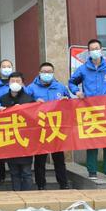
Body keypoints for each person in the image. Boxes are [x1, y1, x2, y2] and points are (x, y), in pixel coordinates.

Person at [68, 39, 106, 180]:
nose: (95, 51)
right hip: (89, 109)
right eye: (92, 49)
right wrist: (77, 92)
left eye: (96, 48)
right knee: (91, 140)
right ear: (89, 52)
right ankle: (92, 170)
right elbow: (72, 82)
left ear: (101, 50)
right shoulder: (83, 69)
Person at [25, 62, 70, 190]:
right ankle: (41, 184)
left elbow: (70, 103)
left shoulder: (60, 87)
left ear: (53, 73)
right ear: (39, 73)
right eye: (44, 72)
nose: (47, 74)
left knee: (59, 159)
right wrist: (34, 102)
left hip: (56, 127)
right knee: (40, 159)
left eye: (49, 72)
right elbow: (25, 104)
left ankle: (63, 183)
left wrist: (66, 101)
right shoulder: (31, 88)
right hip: (40, 128)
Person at [0, 72, 34, 191]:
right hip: (10, 139)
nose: (15, 83)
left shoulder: (29, 99)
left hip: (25, 141)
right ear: (8, 83)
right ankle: (17, 194)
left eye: (18, 81)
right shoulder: (3, 99)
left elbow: (33, 119)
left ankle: (28, 195)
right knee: (14, 173)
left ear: (22, 83)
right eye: (12, 81)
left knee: (26, 172)